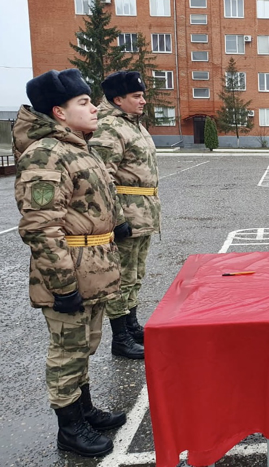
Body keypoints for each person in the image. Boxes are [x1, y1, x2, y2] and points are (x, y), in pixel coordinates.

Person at [13, 69, 129, 457]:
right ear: (58, 112)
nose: (94, 107)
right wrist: (63, 286)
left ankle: (84, 410)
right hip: (69, 273)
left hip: (91, 268)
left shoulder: (78, 145)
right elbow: (41, 227)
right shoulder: (46, 152)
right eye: (83, 102)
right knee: (67, 352)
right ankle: (70, 428)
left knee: (84, 346)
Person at [90, 71, 161, 359]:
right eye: (136, 96)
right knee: (120, 278)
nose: (143, 100)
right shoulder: (109, 127)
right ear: (118, 99)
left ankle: (131, 326)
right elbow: (101, 177)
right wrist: (116, 219)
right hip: (127, 216)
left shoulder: (133, 124)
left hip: (142, 215)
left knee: (135, 275)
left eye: (142, 95)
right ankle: (120, 338)